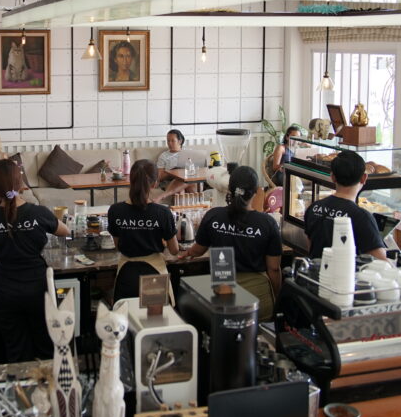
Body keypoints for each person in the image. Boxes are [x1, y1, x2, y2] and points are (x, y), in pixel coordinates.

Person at [0, 159, 70, 362]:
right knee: (46, 347)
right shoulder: (39, 212)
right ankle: (47, 381)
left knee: (16, 350)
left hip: (5, 289)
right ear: (20, 184)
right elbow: (65, 231)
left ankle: (21, 381)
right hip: (38, 287)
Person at [179, 166, 282, 319]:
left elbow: (198, 250)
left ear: (230, 189)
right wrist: (277, 296)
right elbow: (273, 268)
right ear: (256, 191)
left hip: (223, 293)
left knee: (223, 331)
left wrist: (187, 252)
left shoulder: (213, 216)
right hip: (257, 298)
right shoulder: (268, 223)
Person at [107, 160, 179, 302]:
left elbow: (118, 245)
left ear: (130, 181)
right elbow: (174, 250)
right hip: (154, 275)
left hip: (126, 276)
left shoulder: (115, 210)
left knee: (126, 315)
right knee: (156, 315)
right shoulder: (163, 213)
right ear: (155, 184)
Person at [304, 150, 387, 260]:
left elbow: (311, 248)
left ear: (333, 177)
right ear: (364, 178)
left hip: (317, 269)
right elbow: (382, 262)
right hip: (345, 271)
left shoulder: (313, 208)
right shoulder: (362, 217)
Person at [153, 129, 198, 202]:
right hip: (171, 181)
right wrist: (172, 172)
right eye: (168, 141)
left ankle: (163, 196)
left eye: (172, 141)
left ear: (180, 141)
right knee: (180, 190)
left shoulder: (189, 153)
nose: (169, 143)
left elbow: (197, 169)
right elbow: (159, 176)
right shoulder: (164, 156)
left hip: (188, 178)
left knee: (190, 181)